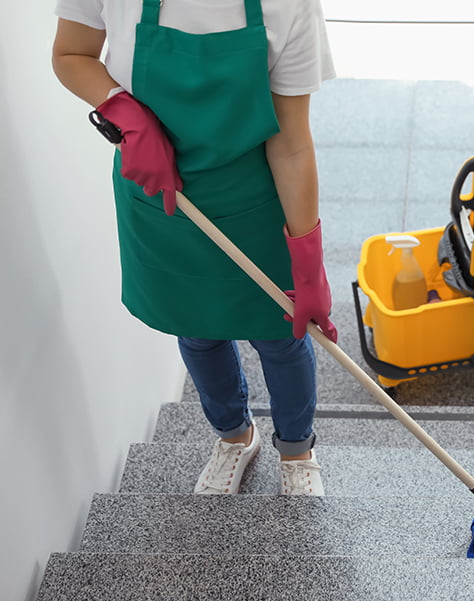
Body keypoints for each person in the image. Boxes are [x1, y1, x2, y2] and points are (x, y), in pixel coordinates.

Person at [51, 0, 338, 496]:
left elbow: (291, 141)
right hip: (161, 197)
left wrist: (309, 265)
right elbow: (72, 52)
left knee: (279, 336)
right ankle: (234, 437)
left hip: (253, 198)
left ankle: (296, 450)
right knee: (196, 328)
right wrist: (122, 109)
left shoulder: (289, 5)